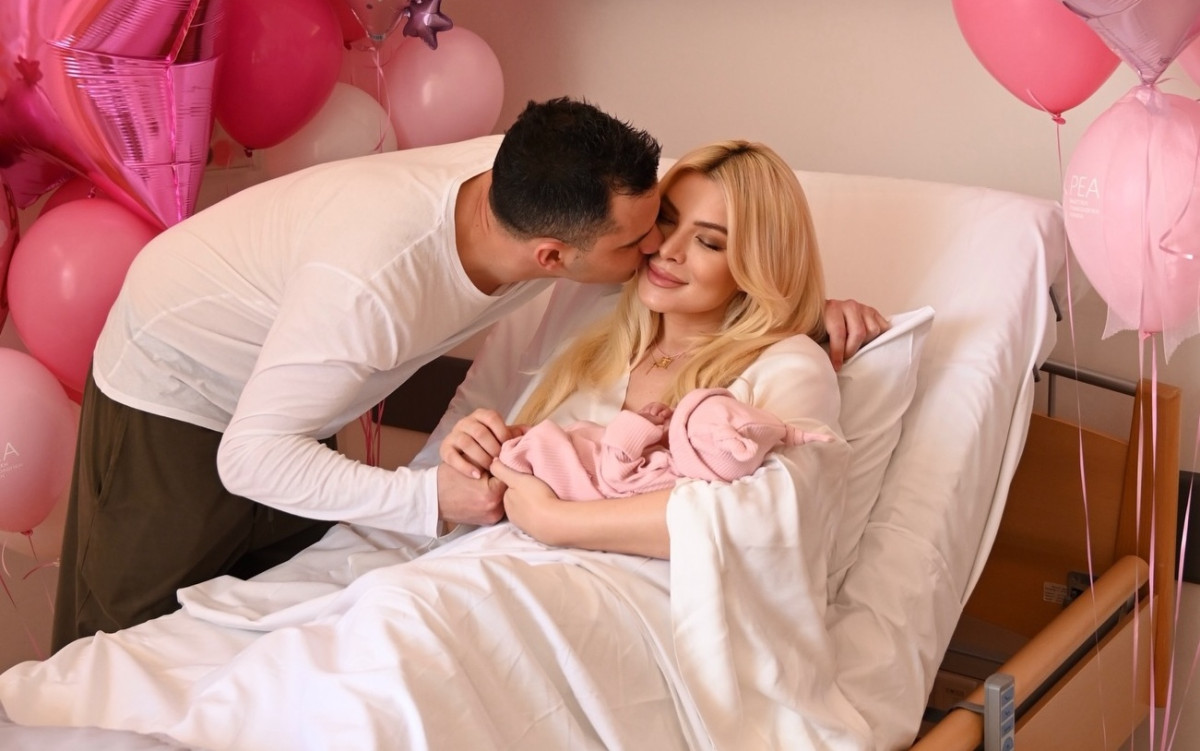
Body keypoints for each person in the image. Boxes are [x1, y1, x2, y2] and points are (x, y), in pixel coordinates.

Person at [0, 139, 876, 750]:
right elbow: (481, 431)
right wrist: (474, 452)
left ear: (757, 262)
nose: (663, 249)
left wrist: (557, 521)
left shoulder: (786, 365)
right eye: (664, 223)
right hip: (186, 379)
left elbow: (771, 519)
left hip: (618, 587)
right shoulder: (589, 320)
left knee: (409, 621)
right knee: (357, 617)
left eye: (708, 241)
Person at [497, 387, 833, 501]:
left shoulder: (669, 476)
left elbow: (615, 472)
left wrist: (640, 425)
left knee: (530, 450)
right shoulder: (675, 461)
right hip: (556, 449)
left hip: (562, 469)